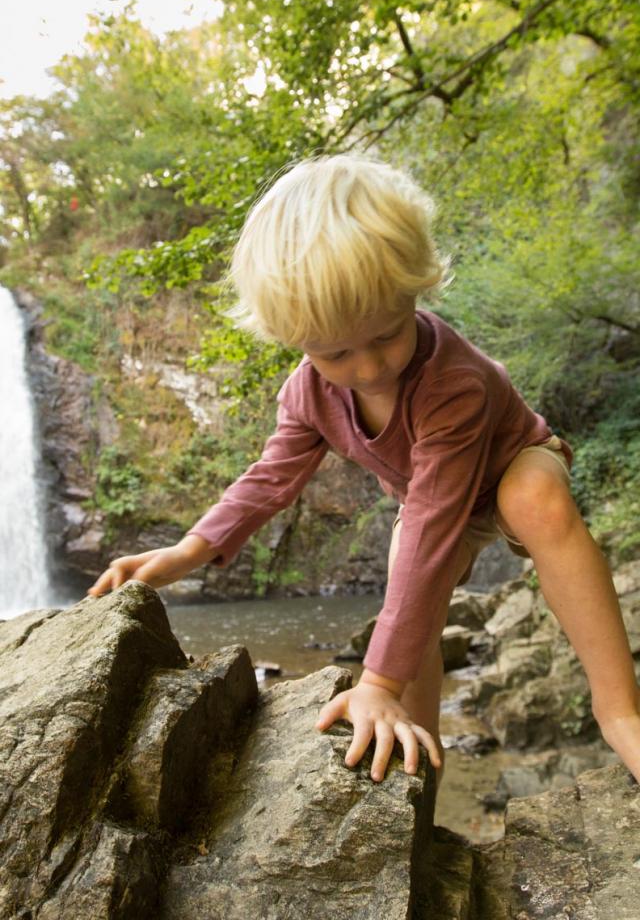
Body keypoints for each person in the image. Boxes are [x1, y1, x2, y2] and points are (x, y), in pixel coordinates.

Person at [88, 153, 640, 787]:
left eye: (386, 334)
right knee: (412, 583)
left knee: (532, 499)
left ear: (415, 293)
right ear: (296, 339)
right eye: (335, 353)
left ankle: (620, 710)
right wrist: (190, 550)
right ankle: (419, 757)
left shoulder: (454, 382)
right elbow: (272, 476)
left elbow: (438, 516)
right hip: (428, 500)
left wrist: (375, 678)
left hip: (505, 463)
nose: (370, 368)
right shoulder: (307, 392)